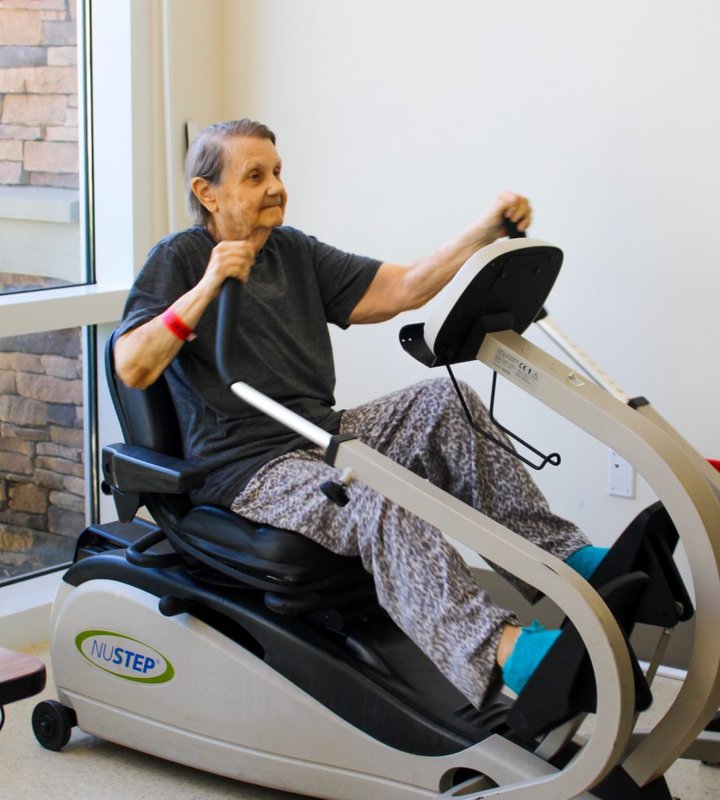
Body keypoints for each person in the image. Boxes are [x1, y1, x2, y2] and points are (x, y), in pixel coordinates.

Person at [114, 119, 606, 709]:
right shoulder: (179, 258)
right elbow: (132, 364)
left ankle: (566, 561)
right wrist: (209, 285)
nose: (276, 186)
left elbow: (403, 287)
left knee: (442, 404)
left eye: (277, 172)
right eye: (255, 175)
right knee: (376, 491)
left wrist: (484, 232)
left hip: (320, 433)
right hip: (247, 467)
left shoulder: (293, 250)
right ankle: (505, 651)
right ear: (207, 193)